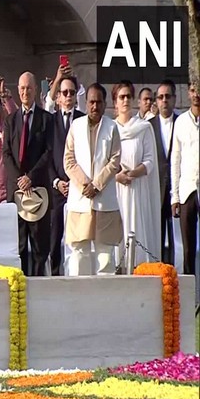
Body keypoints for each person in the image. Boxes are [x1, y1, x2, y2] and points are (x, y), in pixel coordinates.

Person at [64, 83, 123, 275]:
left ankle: (105, 301)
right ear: (86, 103)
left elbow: (115, 161)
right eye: (91, 102)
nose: (95, 106)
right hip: (80, 199)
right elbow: (68, 159)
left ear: (105, 104)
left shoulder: (112, 127)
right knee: (79, 251)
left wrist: (96, 185)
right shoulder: (76, 126)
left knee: (105, 253)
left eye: (98, 102)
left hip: (104, 200)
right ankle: (77, 298)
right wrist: (85, 185)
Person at [3, 72, 53, 276]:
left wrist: (30, 177)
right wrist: (20, 179)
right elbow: (6, 153)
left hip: (38, 188)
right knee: (19, 244)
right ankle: (20, 289)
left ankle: (40, 287)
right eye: (22, 88)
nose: (25, 92)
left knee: (40, 246)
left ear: (35, 90)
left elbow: (49, 152)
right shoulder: (10, 120)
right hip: (17, 191)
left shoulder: (46, 119)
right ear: (18, 91)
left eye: (29, 88)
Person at [112, 81, 161, 267]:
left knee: (137, 231)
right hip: (116, 190)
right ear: (115, 102)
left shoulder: (143, 128)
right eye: (121, 97)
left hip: (137, 189)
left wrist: (132, 173)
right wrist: (118, 176)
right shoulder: (110, 128)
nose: (125, 100)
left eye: (128, 96)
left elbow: (150, 161)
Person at [48, 76, 85, 275]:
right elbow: (48, 153)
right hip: (56, 188)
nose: (68, 96)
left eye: (72, 92)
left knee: (76, 239)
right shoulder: (50, 121)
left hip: (76, 188)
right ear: (58, 98)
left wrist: (74, 182)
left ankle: (75, 276)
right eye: (64, 93)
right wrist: (56, 181)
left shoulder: (82, 119)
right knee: (55, 239)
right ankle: (54, 277)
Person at [149, 80, 179, 265]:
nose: (164, 100)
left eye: (168, 96)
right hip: (156, 189)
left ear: (174, 99)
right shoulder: (148, 126)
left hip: (178, 189)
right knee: (157, 239)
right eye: (160, 97)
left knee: (178, 240)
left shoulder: (182, 122)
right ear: (156, 101)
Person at [171, 82, 199, 276]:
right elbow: (175, 159)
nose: (197, 94)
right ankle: (191, 298)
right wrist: (175, 196)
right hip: (187, 189)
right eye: (193, 90)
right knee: (187, 248)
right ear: (188, 93)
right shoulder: (181, 121)